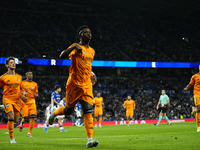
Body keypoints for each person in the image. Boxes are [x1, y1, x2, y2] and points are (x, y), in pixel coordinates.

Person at [48, 25, 98, 148]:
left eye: (89, 32)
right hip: (74, 85)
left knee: (88, 110)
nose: (88, 34)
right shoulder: (75, 47)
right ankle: (55, 113)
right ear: (80, 35)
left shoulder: (92, 51)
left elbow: (87, 66)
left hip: (87, 85)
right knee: (68, 111)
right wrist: (74, 47)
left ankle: (90, 139)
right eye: (85, 32)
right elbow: (61, 56)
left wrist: (92, 73)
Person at [0, 57, 27, 143]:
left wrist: (24, 93)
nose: (13, 64)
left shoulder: (19, 77)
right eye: (11, 62)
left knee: (15, 120)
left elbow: (21, 88)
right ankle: (12, 139)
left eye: (14, 62)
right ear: (7, 65)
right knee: (10, 116)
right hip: (7, 99)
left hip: (16, 101)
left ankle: (3, 107)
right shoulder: (3, 77)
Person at [19, 71, 38, 137]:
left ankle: (29, 132)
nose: (30, 75)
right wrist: (22, 97)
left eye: (31, 74)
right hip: (24, 103)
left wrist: (36, 95)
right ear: (26, 75)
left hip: (32, 101)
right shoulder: (22, 83)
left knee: (33, 116)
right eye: (29, 74)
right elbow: (18, 92)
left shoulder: (35, 84)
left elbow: (36, 93)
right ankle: (22, 123)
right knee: (26, 118)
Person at [184, 67, 200, 132]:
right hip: (197, 94)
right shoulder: (195, 76)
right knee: (199, 108)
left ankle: (195, 109)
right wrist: (187, 88)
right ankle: (198, 127)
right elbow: (191, 83)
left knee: (198, 109)